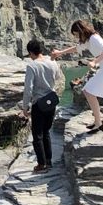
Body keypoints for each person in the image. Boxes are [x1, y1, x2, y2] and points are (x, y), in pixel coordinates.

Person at [50, 20, 103, 134]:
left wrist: (94, 62)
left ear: (81, 31)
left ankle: (98, 123)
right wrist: (60, 52)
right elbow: (76, 48)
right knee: (88, 91)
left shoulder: (94, 38)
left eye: (76, 34)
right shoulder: (89, 39)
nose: (76, 37)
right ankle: (98, 121)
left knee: (89, 91)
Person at [20, 38, 63, 172]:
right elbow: (57, 77)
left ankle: (41, 164)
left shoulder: (32, 66)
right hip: (51, 101)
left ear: (31, 53)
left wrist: (25, 106)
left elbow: (28, 88)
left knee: (37, 134)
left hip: (39, 103)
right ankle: (49, 161)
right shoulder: (52, 61)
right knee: (46, 132)